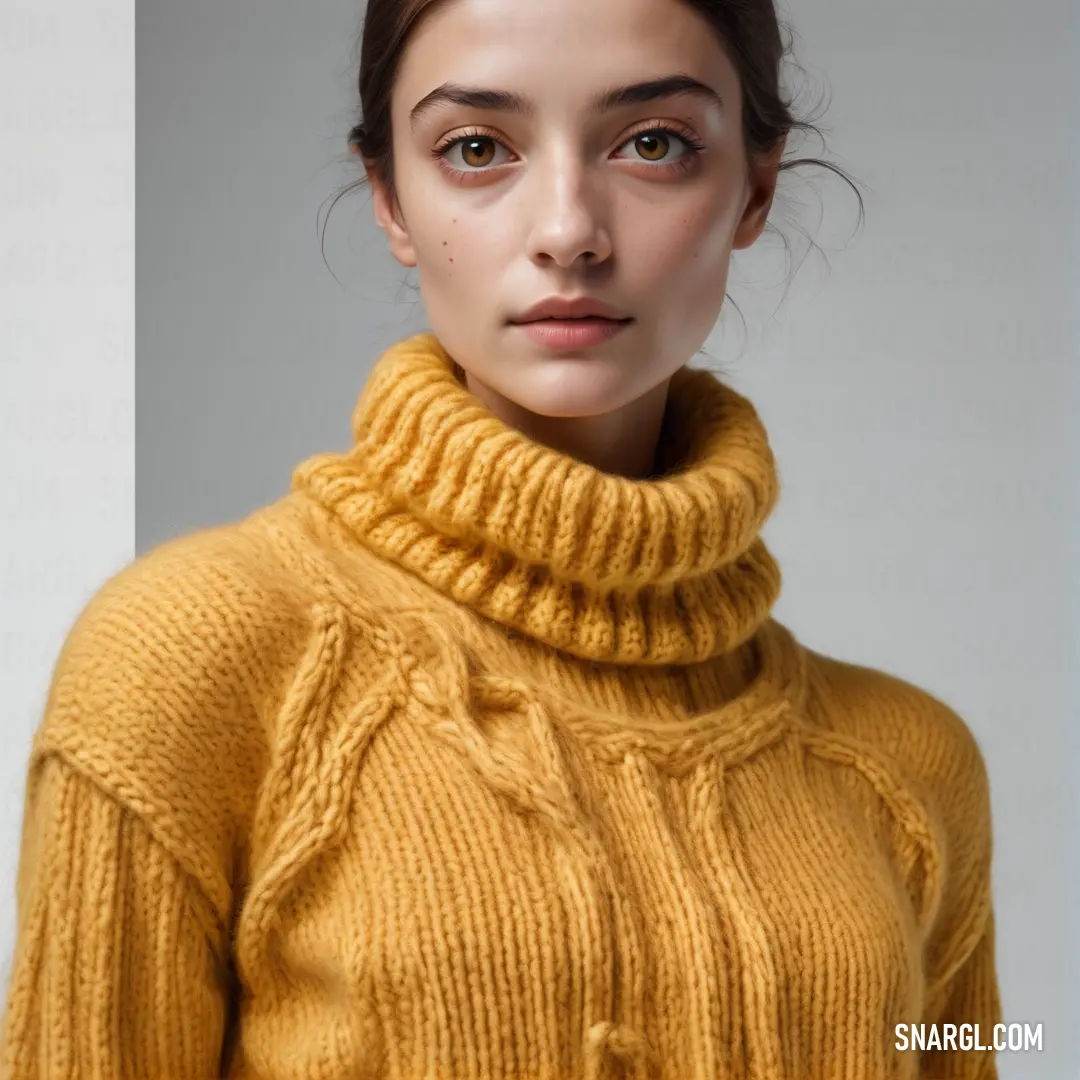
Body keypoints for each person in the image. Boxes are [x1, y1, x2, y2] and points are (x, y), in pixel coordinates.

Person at [0, 0, 1002, 1076]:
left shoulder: (911, 766)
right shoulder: (192, 661)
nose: (568, 228)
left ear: (754, 187)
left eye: (652, 143)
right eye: (477, 148)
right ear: (390, 195)